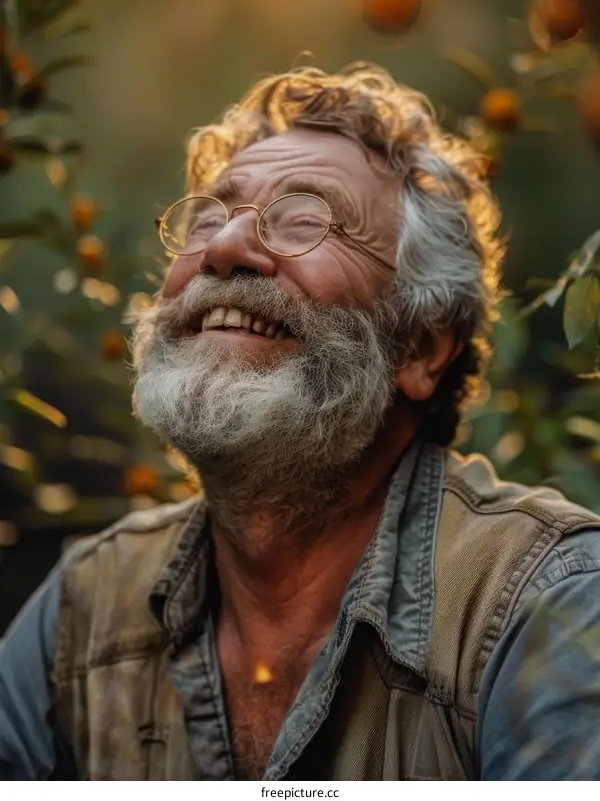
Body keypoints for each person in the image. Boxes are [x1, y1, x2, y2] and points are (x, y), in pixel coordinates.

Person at [2, 64, 600, 782]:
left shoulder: (548, 605)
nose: (224, 248)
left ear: (420, 346)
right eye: (207, 220)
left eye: (305, 219)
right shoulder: (81, 614)